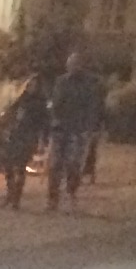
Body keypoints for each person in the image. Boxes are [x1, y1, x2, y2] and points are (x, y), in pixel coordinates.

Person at [44, 52, 105, 209]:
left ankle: (70, 192)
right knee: (55, 164)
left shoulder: (89, 84)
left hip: (78, 129)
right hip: (60, 129)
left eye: (75, 64)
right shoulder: (61, 81)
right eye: (70, 64)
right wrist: (52, 119)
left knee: (73, 164)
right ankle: (53, 198)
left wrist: (90, 127)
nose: (72, 67)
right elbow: (55, 103)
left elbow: (93, 107)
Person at [0, 71, 51, 211]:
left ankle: (16, 199)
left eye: (34, 85)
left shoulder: (40, 104)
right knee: (8, 165)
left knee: (20, 167)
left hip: (28, 137)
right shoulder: (22, 99)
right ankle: (10, 193)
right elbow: (11, 112)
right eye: (29, 85)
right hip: (16, 134)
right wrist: (5, 123)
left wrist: (43, 141)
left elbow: (44, 124)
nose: (31, 87)